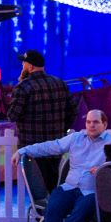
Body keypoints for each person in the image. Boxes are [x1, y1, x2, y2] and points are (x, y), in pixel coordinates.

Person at [18, 109, 111, 222]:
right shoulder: (76, 138)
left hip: (92, 191)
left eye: (96, 122)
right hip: (69, 187)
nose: (91, 125)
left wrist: (104, 169)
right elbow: (50, 146)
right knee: (53, 208)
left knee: (81, 212)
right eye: (88, 122)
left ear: (104, 124)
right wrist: (24, 150)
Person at [7, 49, 76, 191]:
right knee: (52, 184)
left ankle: (42, 212)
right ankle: (50, 211)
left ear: (30, 67)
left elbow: (12, 115)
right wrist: (62, 129)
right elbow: (72, 111)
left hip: (31, 148)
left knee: (37, 191)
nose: (22, 67)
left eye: (24, 64)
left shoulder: (23, 87)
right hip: (55, 145)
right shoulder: (59, 83)